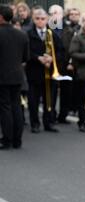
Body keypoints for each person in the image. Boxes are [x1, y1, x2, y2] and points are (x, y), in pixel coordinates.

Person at [25, 7, 63, 133]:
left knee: (49, 100)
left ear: (47, 19)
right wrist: (38, 58)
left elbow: (61, 51)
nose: (40, 21)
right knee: (33, 101)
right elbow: (26, 52)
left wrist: (52, 58)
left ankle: (49, 123)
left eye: (43, 19)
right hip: (34, 72)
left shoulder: (52, 33)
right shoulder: (28, 34)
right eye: (37, 19)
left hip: (49, 72)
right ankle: (35, 123)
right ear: (33, 19)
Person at [0, 4, 29, 149]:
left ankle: (7, 139)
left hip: (2, 77)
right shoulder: (22, 34)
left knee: (5, 108)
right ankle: (17, 140)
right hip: (18, 76)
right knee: (16, 106)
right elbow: (25, 58)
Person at [59, 7, 81, 123]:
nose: (73, 15)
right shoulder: (65, 28)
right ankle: (62, 115)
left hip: (79, 65)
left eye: (76, 14)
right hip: (66, 65)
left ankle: (75, 109)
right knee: (65, 91)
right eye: (71, 14)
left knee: (77, 90)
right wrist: (68, 63)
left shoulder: (81, 29)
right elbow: (65, 47)